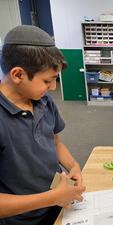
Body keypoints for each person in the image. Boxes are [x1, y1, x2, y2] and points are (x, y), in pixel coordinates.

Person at [0, 25, 85, 224]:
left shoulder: (44, 101)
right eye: (47, 81)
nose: (53, 87)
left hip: (58, 207)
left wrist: (73, 166)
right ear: (18, 75)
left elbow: (55, 143)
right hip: (21, 220)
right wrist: (51, 198)